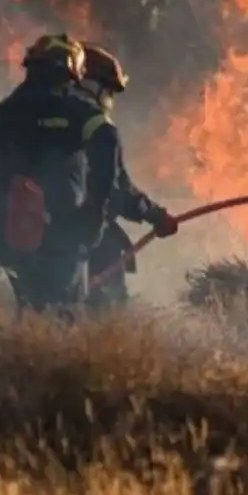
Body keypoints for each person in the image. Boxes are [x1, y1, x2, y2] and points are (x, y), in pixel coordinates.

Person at [0, 33, 124, 318]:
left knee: (25, 306)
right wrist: (94, 210)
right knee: (63, 314)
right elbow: (108, 141)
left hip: (9, 234)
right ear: (72, 71)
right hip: (64, 233)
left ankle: (20, 343)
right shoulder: (77, 111)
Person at [73, 42, 178, 309]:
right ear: (92, 85)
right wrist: (156, 216)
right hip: (86, 237)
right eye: (109, 91)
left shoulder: (35, 119)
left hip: (29, 237)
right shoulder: (96, 127)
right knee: (103, 310)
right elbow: (117, 189)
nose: (109, 100)